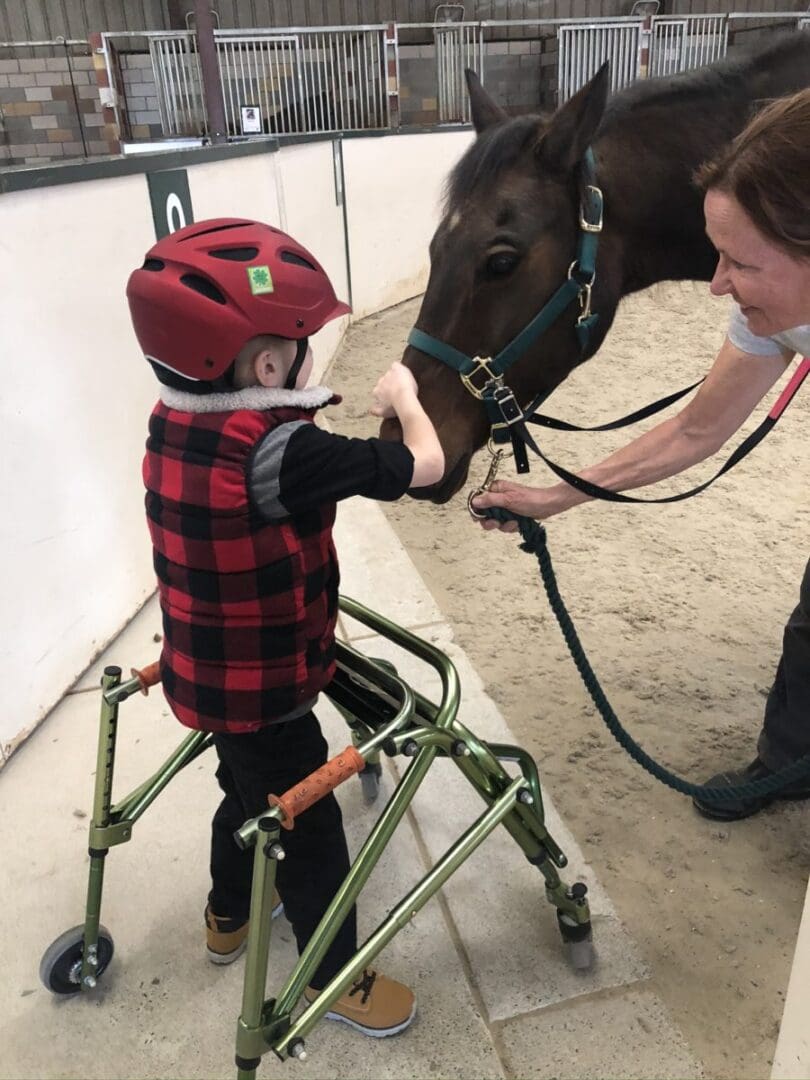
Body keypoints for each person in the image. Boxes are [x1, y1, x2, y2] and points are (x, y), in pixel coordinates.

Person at [126, 217, 444, 1036]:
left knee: (241, 790)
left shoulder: (171, 423)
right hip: (265, 685)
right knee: (307, 829)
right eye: (302, 343)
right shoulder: (283, 453)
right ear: (268, 365)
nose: (308, 359)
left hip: (205, 667)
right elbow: (423, 468)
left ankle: (226, 918)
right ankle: (329, 977)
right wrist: (403, 396)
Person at [472, 88, 810, 823]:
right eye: (716, 256)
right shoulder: (775, 311)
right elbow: (696, 430)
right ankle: (787, 766)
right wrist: (555, 495)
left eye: (740, 264)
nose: (717, 284)